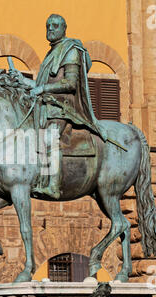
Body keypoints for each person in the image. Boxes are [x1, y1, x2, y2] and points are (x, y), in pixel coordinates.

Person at [14, 14, 107, 199]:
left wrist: (42, 88)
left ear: (64, 28)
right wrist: (22, 80)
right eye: (47, 25)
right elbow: (41, 85)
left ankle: (53, 185)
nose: (50, 29)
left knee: (50, 139)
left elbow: (70, 83)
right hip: (47, 106)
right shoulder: (52, 52)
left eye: (55, 26)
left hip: (63, 108)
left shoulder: (70, 50)